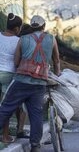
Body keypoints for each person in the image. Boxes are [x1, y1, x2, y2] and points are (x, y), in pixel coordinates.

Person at [0, 15, 61, 152]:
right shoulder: (51, 39)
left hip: (21, 80)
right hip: (40, 82)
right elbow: (56, 61)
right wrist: (57, 75)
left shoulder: (22, 39)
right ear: (44, 26)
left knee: (6, 108)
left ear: (31, 26)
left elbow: (16, 62)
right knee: (36, 114)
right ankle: (35, 145)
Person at [0, 13, 27, 143]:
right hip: (9, 75)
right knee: (7, 105)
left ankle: (17, 130)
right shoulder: (18, 41)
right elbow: (19, 60)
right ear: (17, 28)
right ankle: (5, 136)